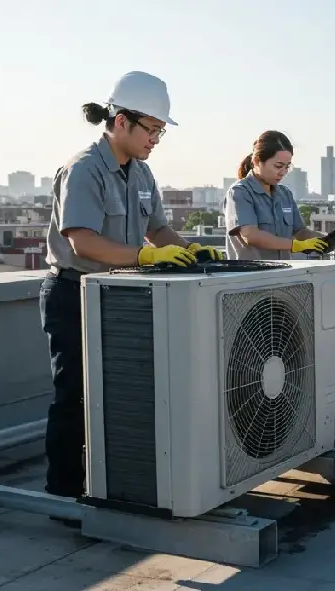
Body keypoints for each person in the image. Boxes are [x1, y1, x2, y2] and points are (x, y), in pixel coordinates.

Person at [40, 71, 222, 508]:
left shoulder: (141, 174)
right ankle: (64, 493)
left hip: (118, 295)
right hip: (73, 292)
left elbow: (157, 229)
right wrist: (144, 258)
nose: (156, 139)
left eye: (161, 131)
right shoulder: (83, 169)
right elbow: (81, 240)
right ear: (121, 121)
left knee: (120, 392)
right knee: (75, 396)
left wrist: (192, 251)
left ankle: (114, 481)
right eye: (153, 129)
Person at [224, 130, 335, 259]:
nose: (283, 172)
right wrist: (296, 245)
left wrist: (334, 238)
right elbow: (251, 236)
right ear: (257, 161)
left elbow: (301, 232)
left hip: (284, 274)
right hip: (252, 276)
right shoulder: (240, 192)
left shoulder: (284, 194)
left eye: (287, 167)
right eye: (278, 166)